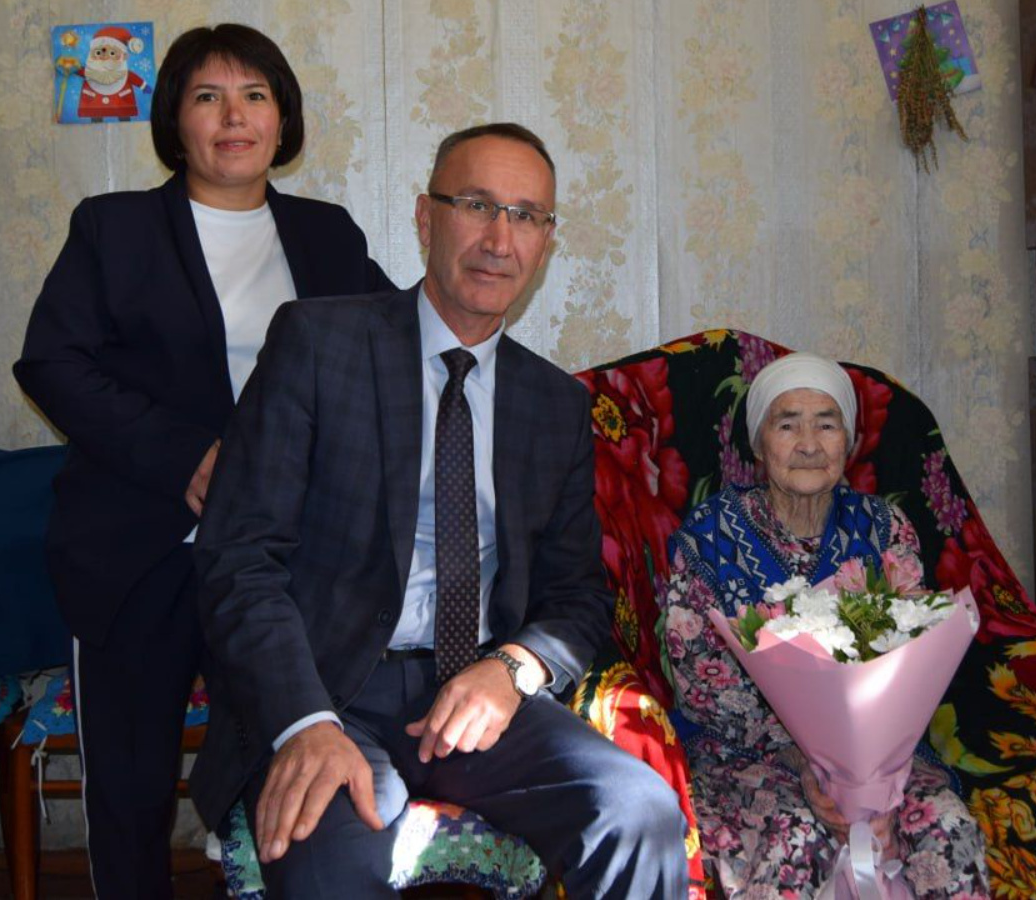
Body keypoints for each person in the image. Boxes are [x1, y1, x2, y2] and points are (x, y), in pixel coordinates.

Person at [191, 122, 688, 898]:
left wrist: (512, 669)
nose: (499, 239)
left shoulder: (553, 404)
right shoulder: (319, 344)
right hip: (327, 693)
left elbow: (577, 596)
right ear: (427, 218)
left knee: (638, 811)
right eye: (477, 205)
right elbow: (238, 558)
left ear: (546, 243)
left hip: (476, 697)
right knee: (331, 867)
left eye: (526, 216)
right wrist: (304, 724)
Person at [13, 23, 393, 899]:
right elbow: (53, 363)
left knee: (277, 766)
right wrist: (185, 457)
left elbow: (386, 358)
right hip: (140, 548)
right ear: (175, 120)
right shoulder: (113, 228)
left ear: (282, 118)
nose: (233, 117)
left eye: (255, 96)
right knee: (132, 789)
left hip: (278, 563)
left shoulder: (327, 236)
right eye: (208, 97)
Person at [660, 353, 990, 898]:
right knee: (796, 837)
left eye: (827, 425)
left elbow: (914, 655)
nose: (809, 444)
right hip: (745, 754)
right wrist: (814, 764)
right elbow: (703, 689)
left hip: (881, 761)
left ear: (849, 442)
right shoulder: (710, 536)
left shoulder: (884, 527)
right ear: (759, 444)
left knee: (946, 825)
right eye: (787, 425)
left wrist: (868, 779)